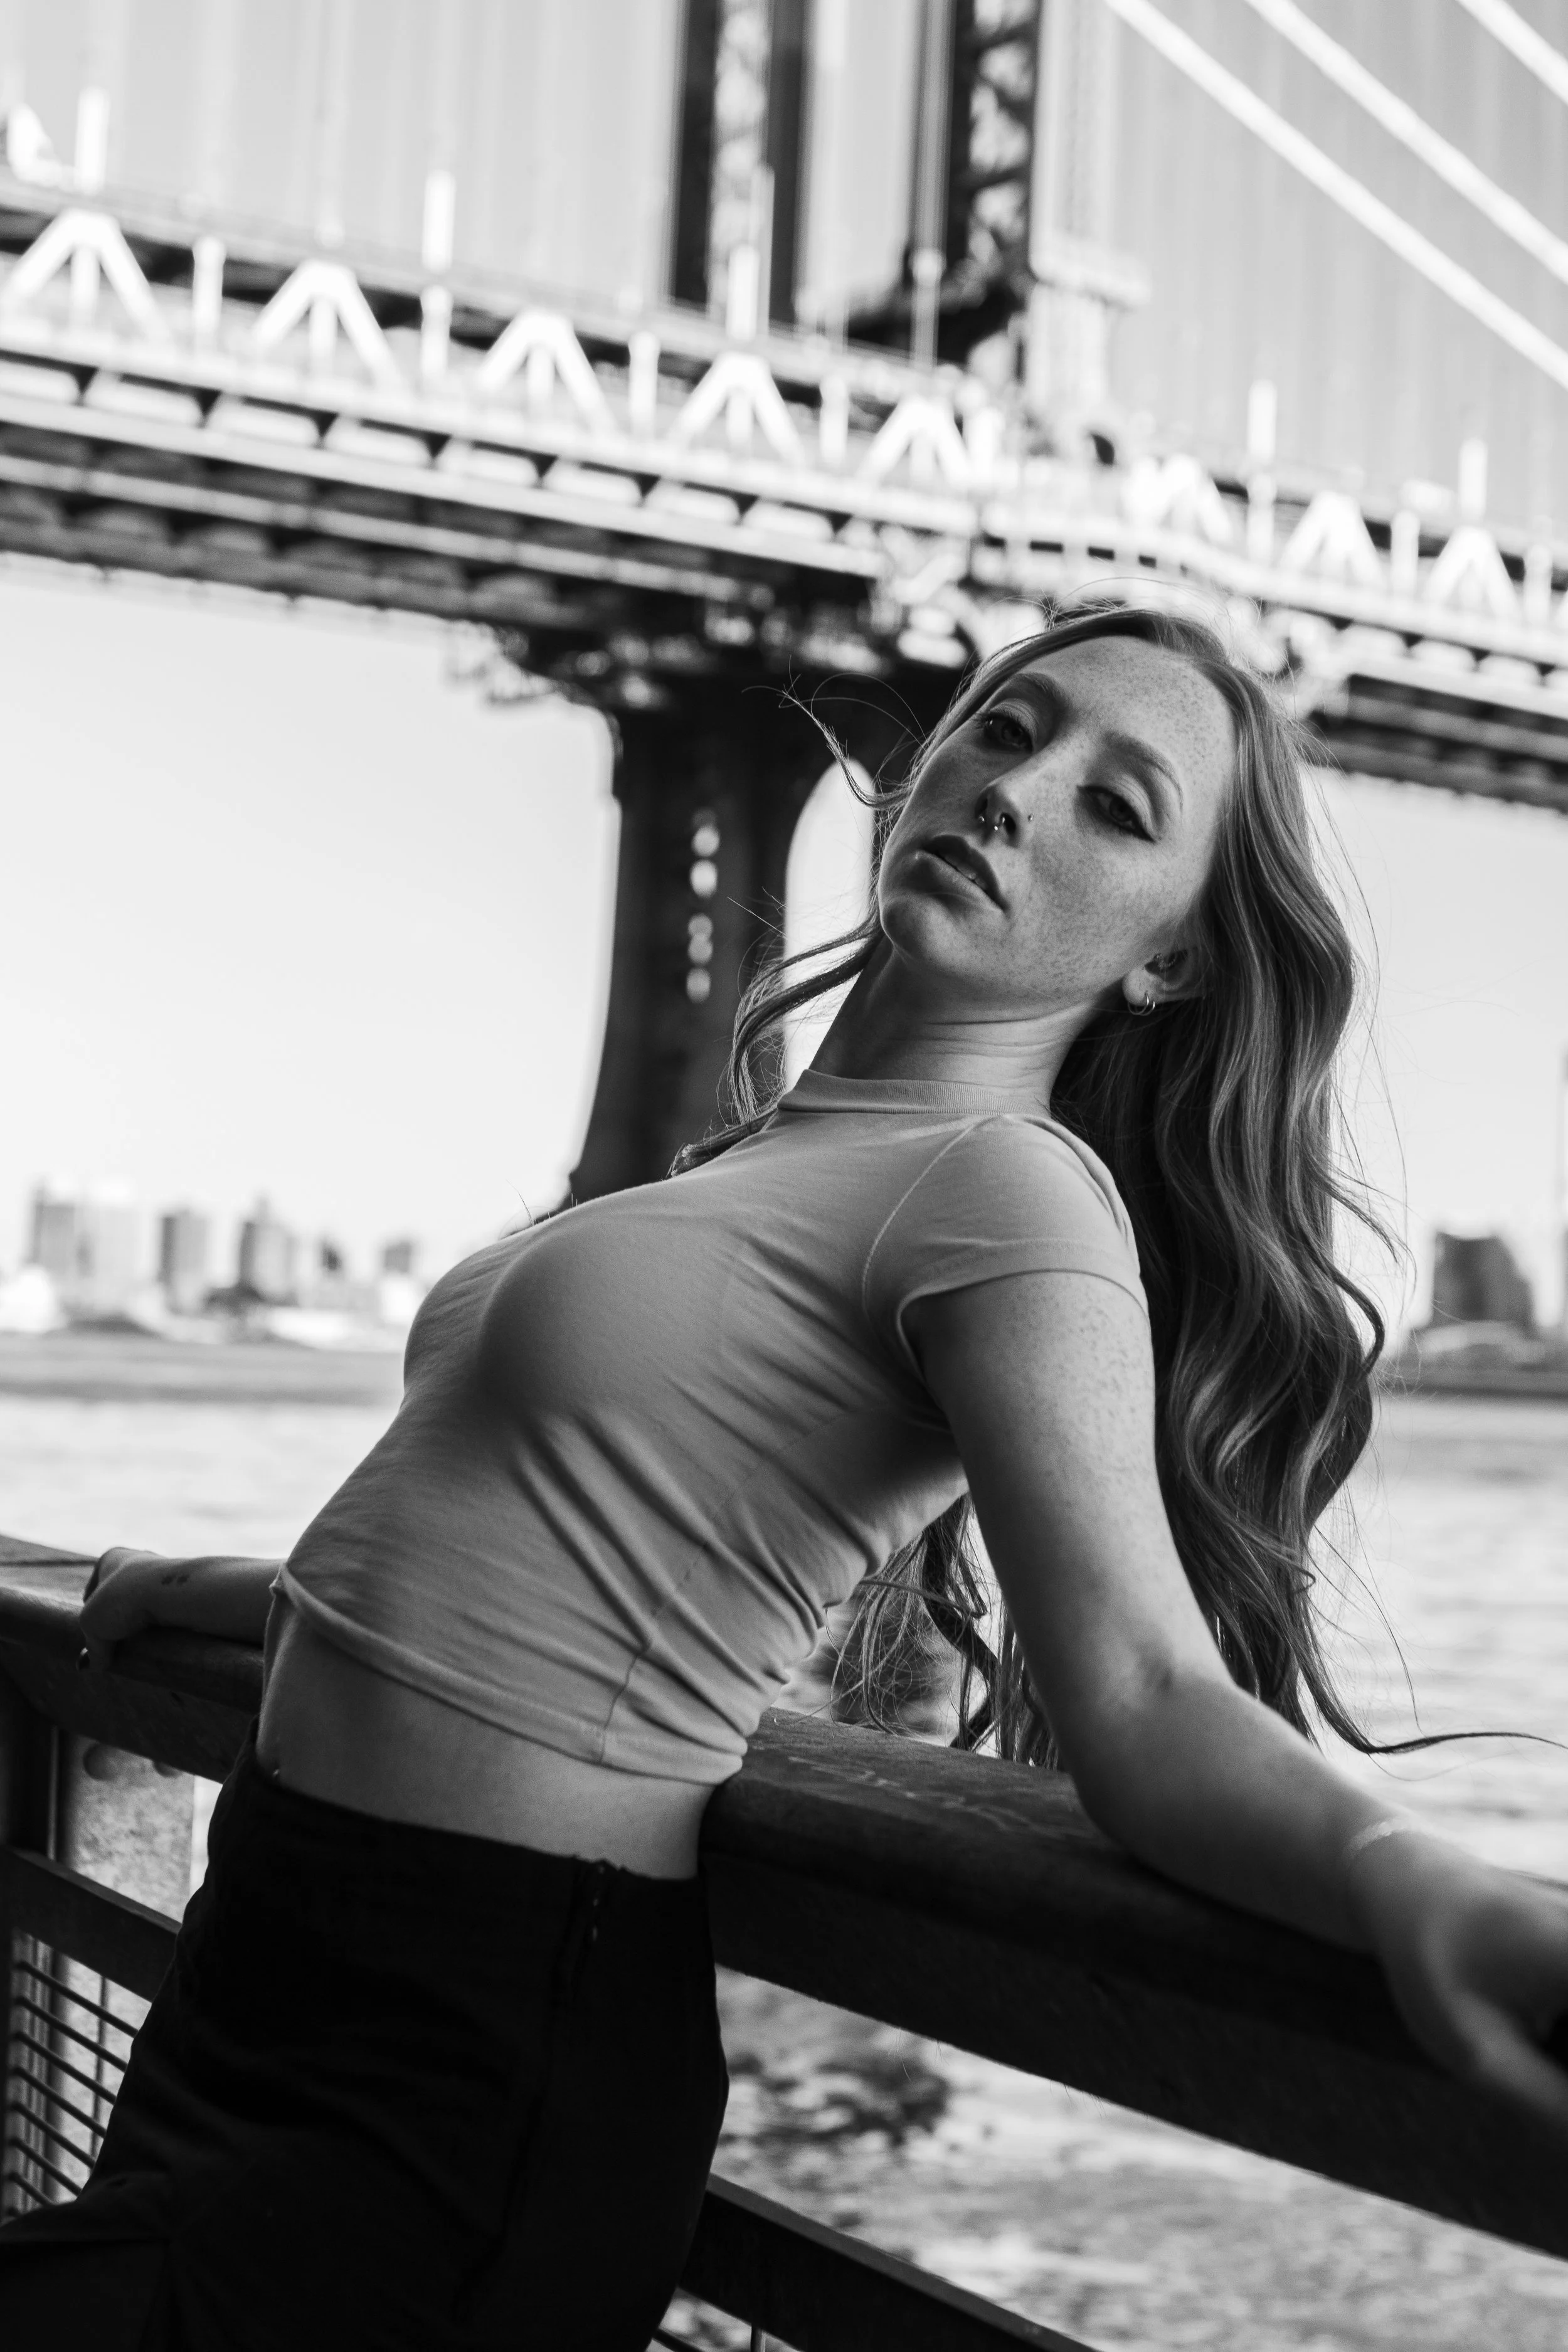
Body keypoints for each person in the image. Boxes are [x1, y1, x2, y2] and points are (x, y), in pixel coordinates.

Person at [3, 601, 1565, 2350]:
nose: (1010, 790)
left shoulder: (1008, 1193)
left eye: (1113, 805)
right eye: (1001, 728)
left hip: (472, 2043)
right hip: (271, 1948)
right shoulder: (759, 1165)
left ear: (1169, 961)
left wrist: (1401, 1872)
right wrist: (233, 1597)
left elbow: (1137, 1689)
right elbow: (564, 1541)